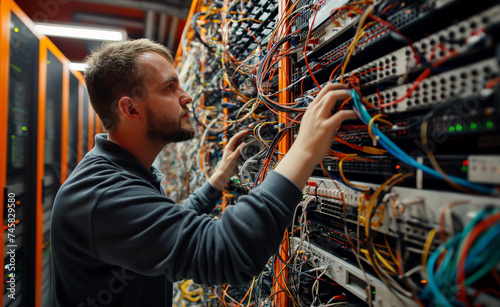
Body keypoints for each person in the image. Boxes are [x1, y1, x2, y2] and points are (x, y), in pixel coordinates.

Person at [50, 38, 356, 307]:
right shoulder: (101, 196)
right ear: (131, 109)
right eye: (170, 88)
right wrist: (303, 150)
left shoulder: (119, 173)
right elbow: (227, 253)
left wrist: (217, 180)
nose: (187, 97)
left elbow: (164, 229)